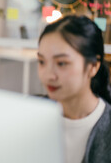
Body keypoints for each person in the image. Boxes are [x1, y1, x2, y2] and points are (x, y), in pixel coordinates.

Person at [37, 15, 111, 163]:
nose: (48, 75)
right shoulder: (30, 114)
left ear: (93, 66)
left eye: (62, 63)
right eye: (42, 61)